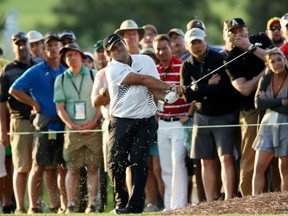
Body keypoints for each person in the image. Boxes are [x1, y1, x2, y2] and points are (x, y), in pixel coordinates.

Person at [103, 33, 184, 214]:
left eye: (120, 44)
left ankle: (135, 207)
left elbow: (154, 87)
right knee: (116, 163)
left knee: (139, 162)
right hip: (121, 121)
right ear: (109, 54)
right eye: (114, 49)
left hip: (146, 121)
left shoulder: (145, 60)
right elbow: (143, 80)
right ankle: (121, 203)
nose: (119, 49)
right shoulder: (113, 69)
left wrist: (170, 95)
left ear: (124, 43)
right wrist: (170, 86)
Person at [9, 32, 67, 214]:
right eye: (49, 45)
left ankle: (58, 205)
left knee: (59, 167)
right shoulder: (36, 70)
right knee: (39, 165)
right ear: (44, 48)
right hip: (44, 125)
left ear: (60, 48)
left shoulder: (65, 71)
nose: (53, 48)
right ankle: (33, 206)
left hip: (63, 125)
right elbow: (14, 89)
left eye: (56, 45)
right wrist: (34, 103)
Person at [181, 27, 239, 202]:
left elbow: (223, 89)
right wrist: (206, 86)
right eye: (193, 43)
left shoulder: (219, 59)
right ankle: (211, 202)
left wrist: (197, 87)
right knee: (206, 160)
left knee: (226, 157)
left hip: (224, 114)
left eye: (199, 42)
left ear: (205, 41)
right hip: (202, 116)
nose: (197, 46)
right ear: (187, 45)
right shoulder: (187, 65)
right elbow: (187, 95)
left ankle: (229, 199)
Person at [225, 18, 273, 197]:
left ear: (247, 29)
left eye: (241, 30)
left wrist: (251, 48)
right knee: (250, 156)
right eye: (234, 32)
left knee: (277, 156)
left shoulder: (261, 38)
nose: (239, 34)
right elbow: (244, 89)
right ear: (229, 36)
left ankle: (278, 196)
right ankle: (249, 200)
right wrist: (266, 71)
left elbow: (276, 59)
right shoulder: (230, 58)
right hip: (250, 110)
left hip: (274, 106)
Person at [54, 43, 103, 214]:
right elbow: (60, 107)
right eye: (68, 55)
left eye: (74, 54)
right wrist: (73, 125)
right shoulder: (60, 79)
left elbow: (101, 103)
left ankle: (92, 205)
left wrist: (94, 122)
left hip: (93, 129)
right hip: (72, 130)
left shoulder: (93, 75)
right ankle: (71, 205)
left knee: (92, 168)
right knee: (72, 169)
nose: (71, 58)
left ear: (80, 56)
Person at [0, 32, 39, 214]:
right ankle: (20, 208)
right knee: (21, 166)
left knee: (39, 165)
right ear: (14, 46)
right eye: (18, 44)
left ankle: (35, 205)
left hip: (40, 122)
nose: (22, 47)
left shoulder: (39, 65)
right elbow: (1, 103)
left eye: (24, 43)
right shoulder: (8, 70)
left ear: (29, 45)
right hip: (19, 122)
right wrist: (3, 130)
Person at [153, 34, 190, 210]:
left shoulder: (181, 66)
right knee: (166, 167)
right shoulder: (156, 69)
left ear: (171, 48)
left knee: (178, 164)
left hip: (178, 122)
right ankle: (169, 206)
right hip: (162, 122)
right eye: (158, 49)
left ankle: (179, 205)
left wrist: (188, 115)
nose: (161, 51)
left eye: (164, 48)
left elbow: (189, 94)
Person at [252, 47, 288, 194]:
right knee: (259, 167)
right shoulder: (265, 79)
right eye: (272, 61)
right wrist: (281, 102)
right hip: (266, 127)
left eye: (279, 59)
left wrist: (270, 102)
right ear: (269, 65)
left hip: (286, 127)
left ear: (285, 60)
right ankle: (254, 204)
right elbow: (258, 103)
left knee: (284, 168)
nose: (277, 63)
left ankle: (285, 203)